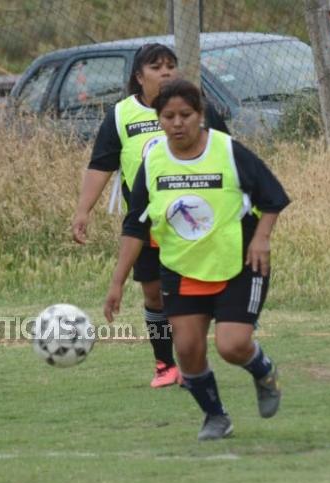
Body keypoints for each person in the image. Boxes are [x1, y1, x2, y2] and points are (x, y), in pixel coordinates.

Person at [103, 79, 289, 440]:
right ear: (158, 119)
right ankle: (216, 417)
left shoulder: (227, 151)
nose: (177, 123)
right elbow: (135, 225)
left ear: (201, 116)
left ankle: (264, 372)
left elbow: (273, 196)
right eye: (168, 116)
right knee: (187, 350)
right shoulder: (154, 161)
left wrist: (262, 239)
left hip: (238, 264)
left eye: (185, 115)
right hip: (182, 268)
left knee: (232, 345)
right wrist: (117, 282)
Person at [72, 43, 229, 389]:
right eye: (156, 67)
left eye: (171, 65)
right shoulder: (121, 115)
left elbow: (227, 153)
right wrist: (83, 211)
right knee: (154, 295)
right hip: (146, 225)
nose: (166, 72)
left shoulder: (197, 108)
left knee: (192, 295)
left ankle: (194, 364)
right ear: (139, 77)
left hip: (193, 223)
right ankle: (164, 365)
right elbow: (101, 164)